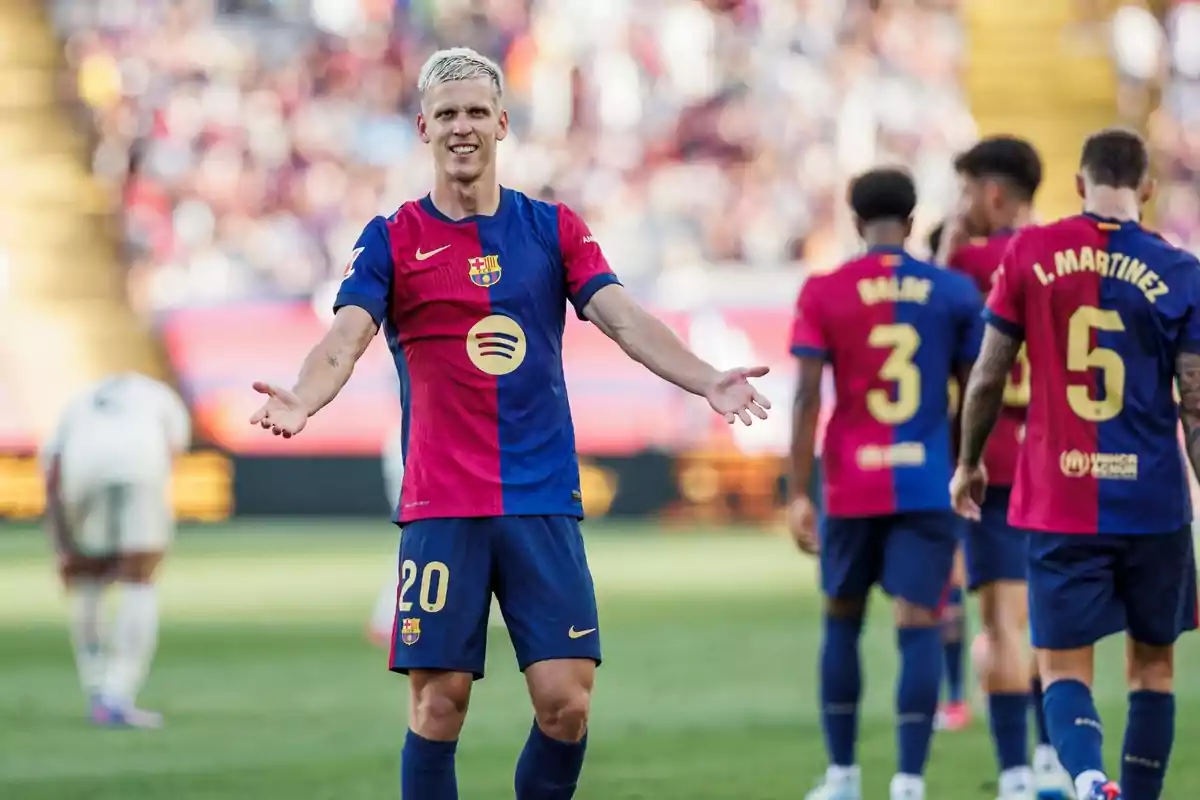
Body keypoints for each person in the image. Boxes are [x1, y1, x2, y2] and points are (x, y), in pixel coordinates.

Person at [248, 47, 770, 800]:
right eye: (447, 114)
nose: (462, 128)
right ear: (424, 127)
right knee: (438, 705)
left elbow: (622, 319)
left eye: (475, 113)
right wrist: (303, 396)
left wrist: (706, 379)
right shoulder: (392, 237)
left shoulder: (552, 228)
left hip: (540, 498)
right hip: (443, 506)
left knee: (567, 705)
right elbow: (347, 336)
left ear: (502, 123)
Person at [953, 128, 1200, 800]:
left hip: (1060, 499)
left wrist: (969, 461)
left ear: (1079, 185)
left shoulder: (1031, 253)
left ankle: (1089, 778)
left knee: (1063, 669)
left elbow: (987, 377)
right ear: (1147, 189)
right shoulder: (1181, 272)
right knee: (1153, 672)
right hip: (1154, 504)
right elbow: (1196, 409)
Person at [789, 168, 984, 800]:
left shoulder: (824, 290)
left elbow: (804, 398)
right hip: (926, 481)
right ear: (910, 218)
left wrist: (798, 492)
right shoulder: (952, 291)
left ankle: (843, 776)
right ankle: (908, 781)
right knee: (919, 623)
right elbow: (973, 390)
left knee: (842, 622)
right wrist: (965, 464)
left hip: (850, 483)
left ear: (853, 221)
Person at [941, 136, 1072, 799]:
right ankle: (1056, 758)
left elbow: (930, 313)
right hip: (1059, 459)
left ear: (992, 194)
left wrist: (947, 247)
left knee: (1003, 623)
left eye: (967, 193)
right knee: (1056, 618)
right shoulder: (1064, 259)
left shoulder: (967, 261)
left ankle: (1017, 772)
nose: (961, 206)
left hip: (991, 460)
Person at [41, 372, 191, 728]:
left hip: (81, 468)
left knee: (86, 576)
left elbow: (52, 470)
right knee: (140, 578)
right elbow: (171, 452)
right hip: (140, 463)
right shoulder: (161, 395)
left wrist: (62, 548)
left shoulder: (79, 398)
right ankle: (117, 694)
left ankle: (96, 688)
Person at [926, 219, 972, 735]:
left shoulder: (947, 306)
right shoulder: (953, 302)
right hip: (951, 457)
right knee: (949, 585)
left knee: (951, 587)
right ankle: (956, 696)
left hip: (956, 457)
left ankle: (958, 695)